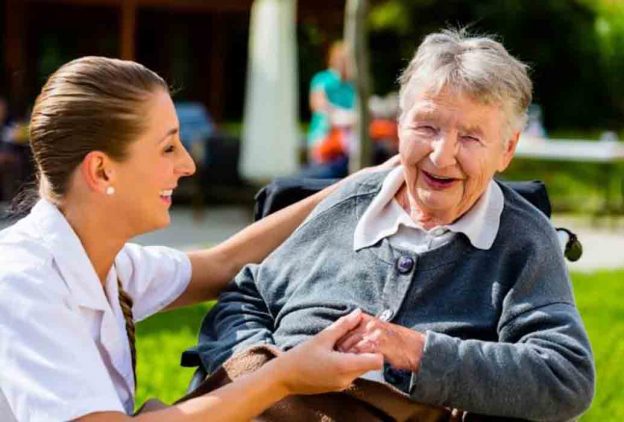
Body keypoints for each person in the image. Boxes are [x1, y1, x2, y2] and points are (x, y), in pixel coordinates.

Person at [197, 29, 595, 420]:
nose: (441, 156)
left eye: (471, 137)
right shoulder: (350, 202)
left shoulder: (521, 241)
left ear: (507, 149)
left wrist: (416, 351)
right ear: (400, 125)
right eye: (427, 127)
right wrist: (258, 374)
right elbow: (246, 296)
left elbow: (566, 376)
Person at [0, 56, 386, 421]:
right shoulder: (23, 281)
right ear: (101, 172)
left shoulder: (106, 263)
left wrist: (364, 184)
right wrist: (282, 376)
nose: (188, 164)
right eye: (168, 148)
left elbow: (225, 264)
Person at [301, 41, 356, 179]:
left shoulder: (352, 85)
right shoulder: (322, 79)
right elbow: (318, 104)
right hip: (324, 135)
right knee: (320, 175)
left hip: (346, 141)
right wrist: (342, 115)